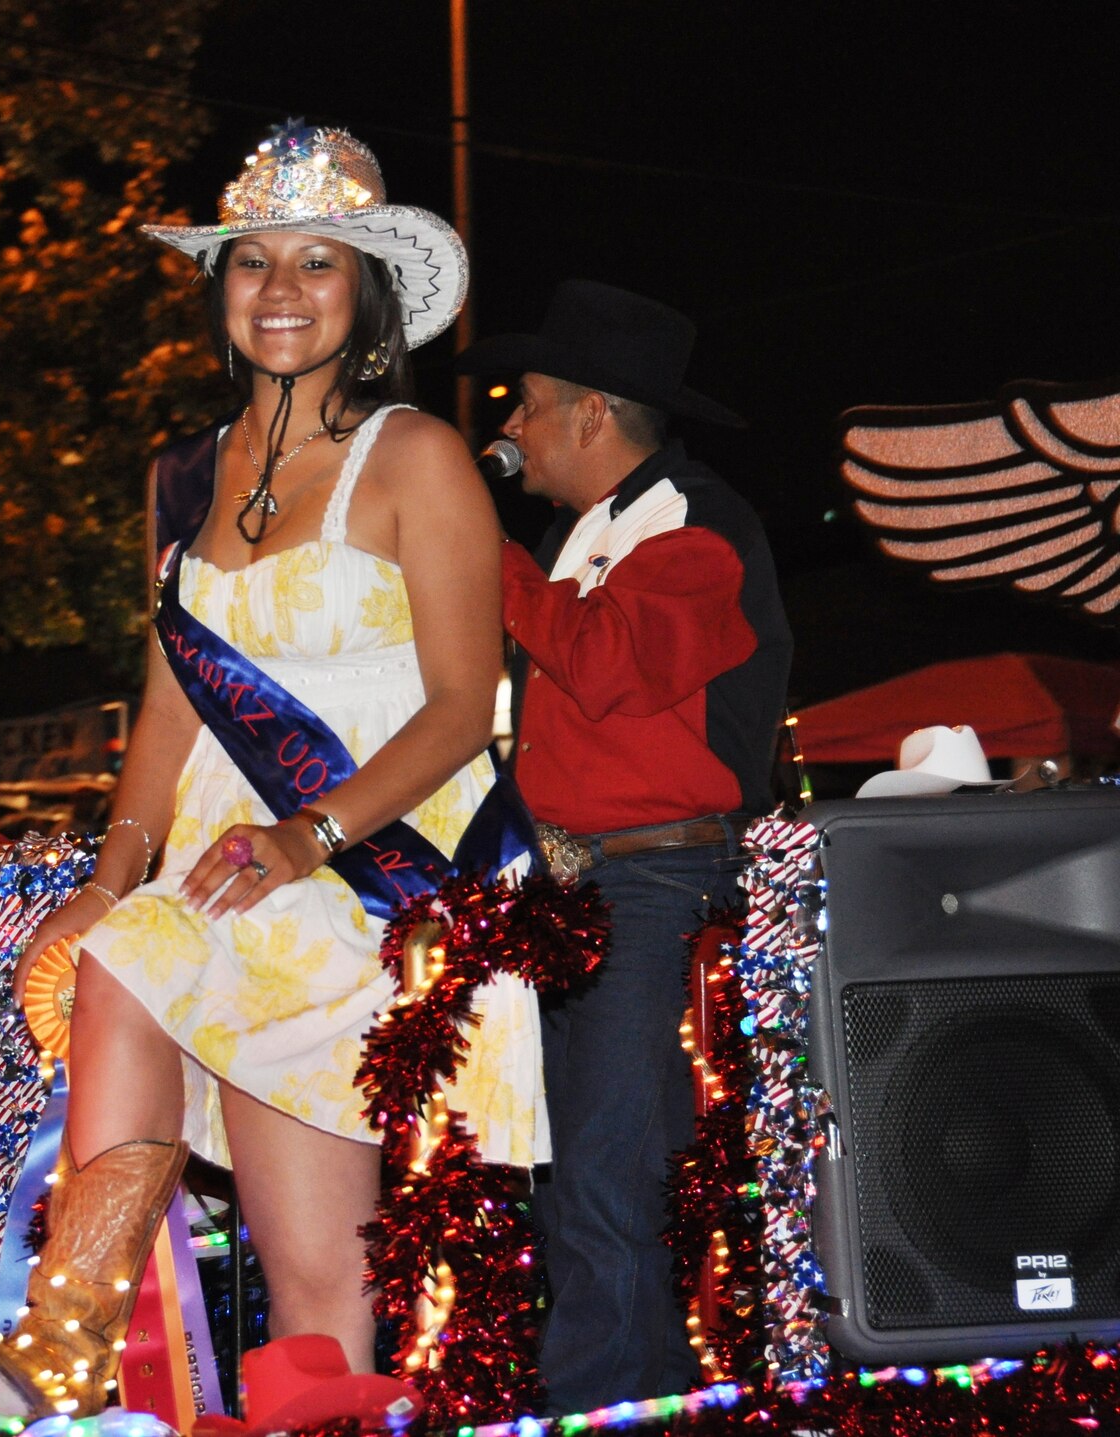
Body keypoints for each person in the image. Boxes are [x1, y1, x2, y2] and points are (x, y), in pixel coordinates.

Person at [0, 125, 542, 1416]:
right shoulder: (190, 477)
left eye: (318, 262)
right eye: (250, 262)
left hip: (367, 877)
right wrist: (106, 880)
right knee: (119, 956)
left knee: (321, 1281)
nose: (279, 288)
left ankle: (102, 1358)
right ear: (218, 290)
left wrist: (309, 836)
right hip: (223, 882)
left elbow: (458, 710)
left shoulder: (415, 459)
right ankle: (66, 1341)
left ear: (365, 292)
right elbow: (165, 713)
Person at [453, 279, 791, 1413]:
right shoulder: (579, 534)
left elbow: (604, 667)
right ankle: (615, 1394)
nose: (506, 429)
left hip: (655, 879)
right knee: (573, 1177)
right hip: (575, 885)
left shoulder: (698, 526)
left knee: (605, 1172)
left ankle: (600, 1405)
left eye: (526, 403)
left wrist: (476, 549)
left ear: (592, 413)